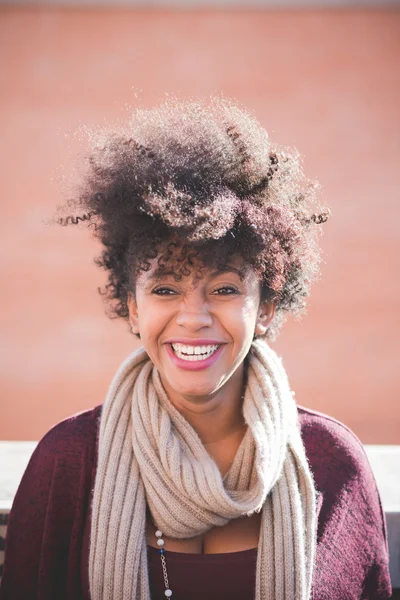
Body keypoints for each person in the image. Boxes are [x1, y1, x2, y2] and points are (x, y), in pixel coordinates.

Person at [0, 98, 392, 600]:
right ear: (134, 308)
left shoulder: (332, 462)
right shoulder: (73, 460)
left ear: (266, 307)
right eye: (165, 289)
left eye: (226, 289)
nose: (194, 316)